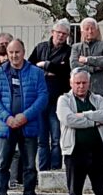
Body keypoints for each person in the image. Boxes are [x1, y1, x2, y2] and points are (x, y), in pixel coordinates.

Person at [0, 39, 49, 195]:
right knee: (2, 164)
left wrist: (26, 116)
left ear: (24, 52)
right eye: (11, 53)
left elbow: (43, 97)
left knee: (30, 165)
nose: (14, 56)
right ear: (7, 54)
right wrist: (7, 117)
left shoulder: (36, 73)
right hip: (6, 126)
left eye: (17, 52)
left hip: (28, 126)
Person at [30, 20, 72, 171]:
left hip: (57, 100)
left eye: (64, 34)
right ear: (52, 32)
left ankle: (55, 169)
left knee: (56, 138)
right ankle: (43, 170)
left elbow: (66, 72)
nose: (60, 36)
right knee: (42, 140)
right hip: (39, 99)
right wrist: (52, 69)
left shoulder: (69, 51)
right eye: (58, 32)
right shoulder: (40, 47)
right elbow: (30, 67)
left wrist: (46, 65)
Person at [70, 18, 103, 109]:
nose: (90, 31)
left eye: (92, 28)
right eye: (87, 29)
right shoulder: (76, 47)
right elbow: (74, 64)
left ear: (97, 30)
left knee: (102, 120)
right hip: (81, 92)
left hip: (102, 90)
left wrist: (87, 60)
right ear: (82, 31)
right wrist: (93, 69)